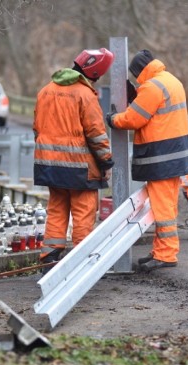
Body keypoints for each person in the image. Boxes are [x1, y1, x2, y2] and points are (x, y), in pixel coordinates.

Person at [107, 49, 188, 272]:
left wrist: (112, 119)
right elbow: (156, 112)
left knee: (162, 208)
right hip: (175, 155)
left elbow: (133, 119)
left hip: (161, 156)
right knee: (167, 206)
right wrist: (137, 96)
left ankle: (165, 255)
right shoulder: (170, 81)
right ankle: (161, 251)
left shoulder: (151, 87)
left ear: (139, 71)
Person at [33, 48, 115, 272]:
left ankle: (49, 257)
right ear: (95, 73)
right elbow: (96, 134)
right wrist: (106, 162)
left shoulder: (46, 91)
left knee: (57, 209)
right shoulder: (85, 95)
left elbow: (37, 128)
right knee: (83, 213)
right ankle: (82, 261)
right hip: (80, 168)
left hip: (49, 165)